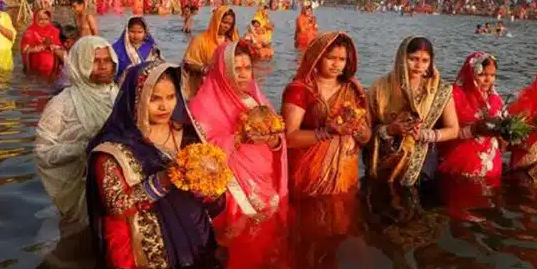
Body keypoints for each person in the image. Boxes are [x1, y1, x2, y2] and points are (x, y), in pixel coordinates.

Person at [86, 61, 226, 269]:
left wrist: (208, 190)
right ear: (136, 99)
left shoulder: (187, 133)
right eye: (155, 98)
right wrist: (163, 180)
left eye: (171, 97)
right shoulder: (112, 151)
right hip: (146, 250)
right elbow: (117, 206)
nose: (164, 106)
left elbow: (213, 191)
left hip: (194, 239)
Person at [34, 36, 118, 269]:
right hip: (78, 188)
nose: (103, 66)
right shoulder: (62, 103)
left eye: (107, 60)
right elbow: (43, 151)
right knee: (78, 248)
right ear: (80, 64)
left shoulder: (120, 95)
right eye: (95, 61)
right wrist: (82, 149)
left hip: (114, 188)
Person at [189, 41, 288, 233]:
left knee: (268, 235)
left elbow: (277, 139)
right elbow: (202, 154)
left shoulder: (255, 97)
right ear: (222, 70)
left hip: (266, 179)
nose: (243, 74)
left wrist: (273, 140)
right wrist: (239, 138)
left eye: (247, 68)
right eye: (236, 69)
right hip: (234, 186)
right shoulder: (202, 106)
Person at [282, 32, 371, 198]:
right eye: (330, 58)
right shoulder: (300, 90)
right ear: (317, 57)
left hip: (345, 172)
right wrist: (327, 132)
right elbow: (289, 138)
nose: (336, 64)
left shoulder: (353, 90)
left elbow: (366, 138)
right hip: (309, 174)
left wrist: (359, 130)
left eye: (342, 59)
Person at [365, 37, 459, 191]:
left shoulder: (440, 89)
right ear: (401, 58)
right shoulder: (380, 87)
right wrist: (390, 130)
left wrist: (424, 135)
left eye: (425, 60)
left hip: (422, 163)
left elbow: (453, 130)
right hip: (384, 159)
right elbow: (366, 128)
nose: (419, 65)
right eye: (413, 59)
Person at [438, 52, 503, 179]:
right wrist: (474, 129)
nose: (488, 80)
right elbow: (447, 131)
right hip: (460, 164)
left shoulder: (495, 99)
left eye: (492, 75)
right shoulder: (454, 96)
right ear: (471, 73)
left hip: (491, 164)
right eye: (482, 74)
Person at [182, 6, 239, 97]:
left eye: (230, 24)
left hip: (226, 88)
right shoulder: (200, 40)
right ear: (216, 20)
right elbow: (188, 64)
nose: (227, 26)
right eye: (224, 22)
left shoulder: (232, 41)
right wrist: (204, 69)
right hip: (204, 86)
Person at [112, 16, 163, 80]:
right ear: (126, 31)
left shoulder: (152, 49)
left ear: (145, 33)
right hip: (124, 83)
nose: (136, 35)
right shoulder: (117, 49)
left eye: (140, 32)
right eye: (132, 31)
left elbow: (160, 67)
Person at [21, 8, 63, 78]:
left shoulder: (55, 31)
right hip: (35, 69)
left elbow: (62, 48)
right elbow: (23, 50)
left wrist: (54, 47)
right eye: (40, 19)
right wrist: (33, 49)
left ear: (49, 19)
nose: (44, 22)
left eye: (46, 19)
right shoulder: (29, 32)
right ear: (35, 19)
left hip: (52, 69)